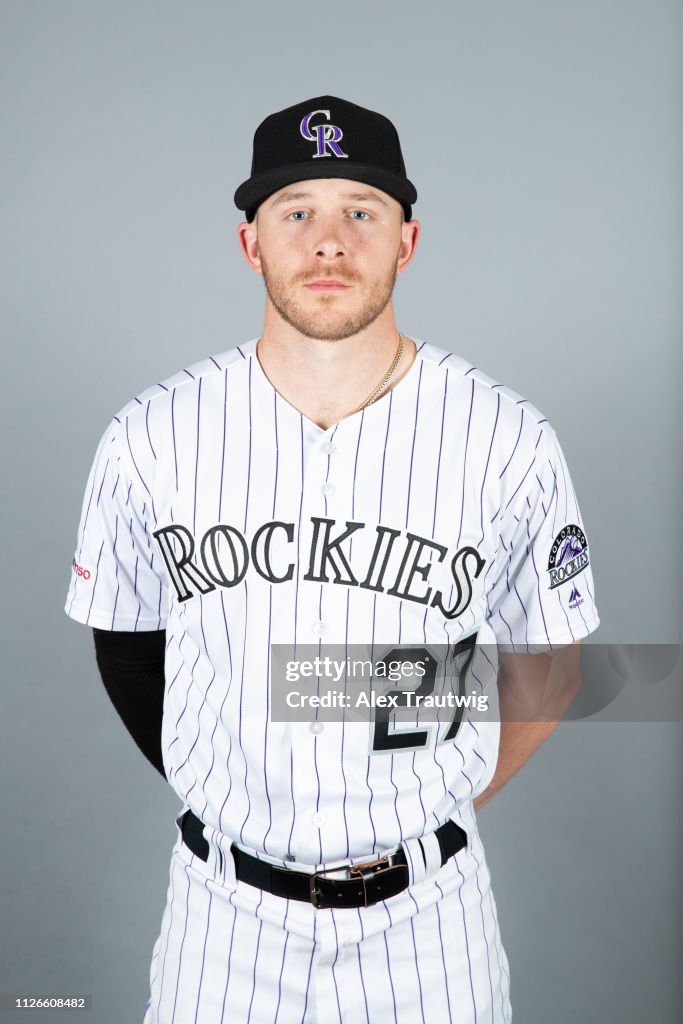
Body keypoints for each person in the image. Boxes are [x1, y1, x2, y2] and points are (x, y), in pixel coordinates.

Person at [64, 95, 599, 1023]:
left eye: (361, 210)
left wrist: (432, 790)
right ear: (251, 244)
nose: (327, 241)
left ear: (406, 242)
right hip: (220, 919)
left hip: (431, 926)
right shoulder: (150, 436)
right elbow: (126, 648)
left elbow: (546, 664)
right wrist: (234, 781)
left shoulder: (506, 440)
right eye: (294, 211)